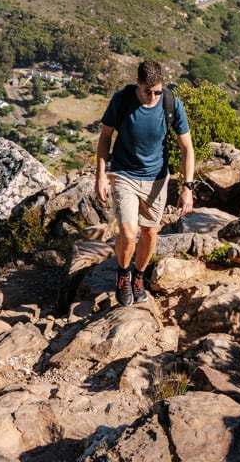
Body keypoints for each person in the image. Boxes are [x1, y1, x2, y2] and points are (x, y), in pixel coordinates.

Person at [94, 60, 195, 306]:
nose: (152, 96)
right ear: (137, 84)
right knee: (129, 233)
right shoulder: (122, 100)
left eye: (157, 91)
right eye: (147, 91)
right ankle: (123, 274)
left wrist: (187, 187)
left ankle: (138, 276)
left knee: (150, 232)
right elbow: (105, 137)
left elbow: (187, 148)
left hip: (157, 178)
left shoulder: (172, 104)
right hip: (124, 174)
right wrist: (100, 176)